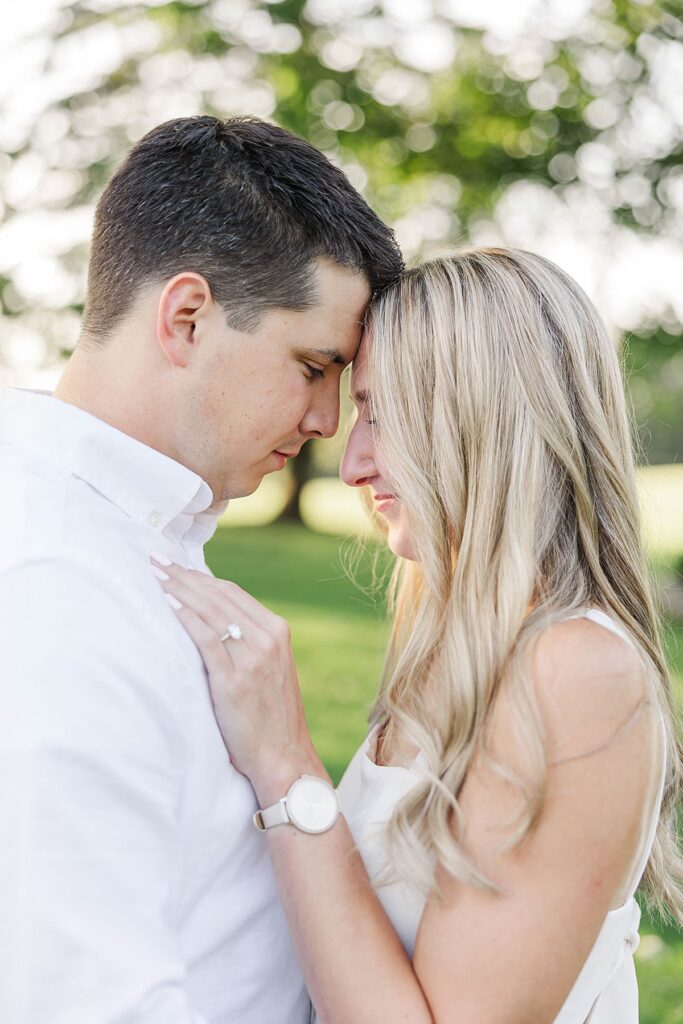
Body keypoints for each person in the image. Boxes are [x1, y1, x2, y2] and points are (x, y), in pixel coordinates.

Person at [159, 248, 683, 1023]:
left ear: (485, 418)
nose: (353, 462)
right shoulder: (453, 646)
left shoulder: (577, 673)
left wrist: (285, 763)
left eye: (381, 412)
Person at [0, 114, 402, 1022]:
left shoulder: (123, 538)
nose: (329, 422)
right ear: (186, 317)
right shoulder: (53, 591)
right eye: (312, 365)